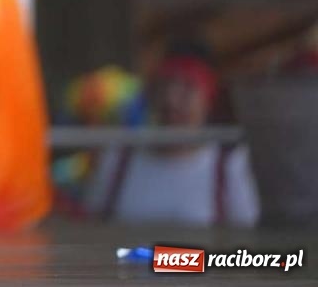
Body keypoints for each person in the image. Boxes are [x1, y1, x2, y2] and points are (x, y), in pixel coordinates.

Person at [83, 44, 259, 226]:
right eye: (164, 86)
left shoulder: (227, 168)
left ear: (208, 99)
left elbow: (242, 241)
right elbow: (93, 235)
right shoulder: (118, 163)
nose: (170, 100)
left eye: (188, 88)